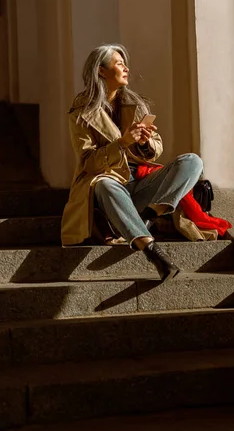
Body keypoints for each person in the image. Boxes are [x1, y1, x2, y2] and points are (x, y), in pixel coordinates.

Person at [61, 43, 203, 281]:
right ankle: (153, 252)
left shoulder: (135, 103)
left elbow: (156, 150)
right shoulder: (81, 112)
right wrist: (123, 143)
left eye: (125, 63)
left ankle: (153, 211)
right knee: (105, 184)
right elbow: (88, 163)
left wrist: (145, 143)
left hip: (141, 183)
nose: (126, 68)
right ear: (101, 71)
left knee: (192, 161)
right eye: (119, 63)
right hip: (108, 186)